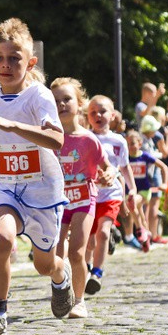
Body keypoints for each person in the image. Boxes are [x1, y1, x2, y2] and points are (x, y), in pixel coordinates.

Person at [0, 18, 72, 335]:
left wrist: (13, 126)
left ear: (30, 62)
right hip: (6, 184)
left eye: (14, 58)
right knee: (1, 239)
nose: (6, 65)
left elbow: (57, 139)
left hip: (42, 190)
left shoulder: (39, 96)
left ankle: (61, 275)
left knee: (43, 266)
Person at [52, 78, 114, 319]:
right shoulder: (49, 137)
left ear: (79, 103)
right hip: (57, 201)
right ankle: (61, 288)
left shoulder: (89, 139)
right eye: (56, 101)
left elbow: (107, 166)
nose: (61, 104)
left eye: (66, 99)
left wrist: (108, 174)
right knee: (56, 254)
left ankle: (79, 301)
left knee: (77, 252)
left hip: (83, 198)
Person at [86, 95, 141, 295]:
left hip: (111, 194)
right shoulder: (85, 137)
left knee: (102, 232)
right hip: (88, 195)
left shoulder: (119, 141)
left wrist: (132, 189)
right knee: (89, 240)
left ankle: (97, 274)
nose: (97, 115)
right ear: (87, 116)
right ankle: (85, 269)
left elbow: (125, 167)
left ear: (112, 115)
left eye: (102, 111)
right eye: (92, 112)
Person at [138, 115, 168, 243]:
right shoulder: (144, 141)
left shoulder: (147, 139)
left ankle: (150, 233)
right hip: (147, 176)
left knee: (147, 207)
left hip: (147, 175)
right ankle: (150, 234)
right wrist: (159, 155)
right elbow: (149, 156)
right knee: (149, 206)